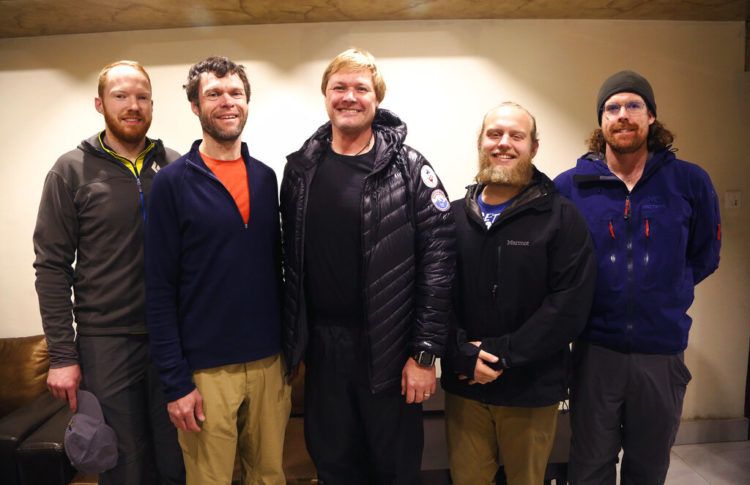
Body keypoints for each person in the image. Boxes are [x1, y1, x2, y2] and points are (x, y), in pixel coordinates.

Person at [280, 47, 455, 484]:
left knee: (393, 470)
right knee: (334, 464)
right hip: (323, 352)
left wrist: (424, 354)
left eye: (361, 88)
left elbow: (439, 263)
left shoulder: (411, 169)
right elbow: (289, 262)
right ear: (325, 95)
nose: (349, 97)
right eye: (339, 87)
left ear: (377, 99)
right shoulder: (300, 171)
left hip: (391, 351)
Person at [555, 70, 721, 484]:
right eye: (612, 108)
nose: (623, 115)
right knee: (590, 464)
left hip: (661, 353)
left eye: (634, 106)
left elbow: (704, 256)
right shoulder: (570, 187)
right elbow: (557, 264)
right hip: (595, 351)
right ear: (601, 122)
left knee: (648, 466)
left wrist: (665, 292)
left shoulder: (690, 182)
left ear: (651, 118)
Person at [33, 60, 184, 485]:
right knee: (124, 464)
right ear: (100, 103)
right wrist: (63, 355)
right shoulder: (69, 171)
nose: (132, 105)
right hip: (107, 344)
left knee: (177, 459)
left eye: (142, 96)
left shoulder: (174, 168)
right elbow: (51, 266)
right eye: (121, 96)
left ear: (152, 104)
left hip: (171, 339)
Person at [145, 56, 289, 485]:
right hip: (205, 373)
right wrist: (175, 383)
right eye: (214, 94)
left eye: (236, 93)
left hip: (269, 364)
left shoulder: (266, 179)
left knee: (269, 476)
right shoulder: (172, 182)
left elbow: (278, 270)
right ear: (195, 106)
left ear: (247, 102)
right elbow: (158, 288)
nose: (227, 102)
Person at [442, 102, 597, 485]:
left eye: (516, 135)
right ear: (480, 142)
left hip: (531, 388)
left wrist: (500, 355)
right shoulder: (452, 217)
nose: (503, 143)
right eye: (494, 134)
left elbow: (569, 305)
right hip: (466, 387)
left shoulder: (561, 217)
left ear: (534, 147)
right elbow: (434, 295)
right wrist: (461, 353)